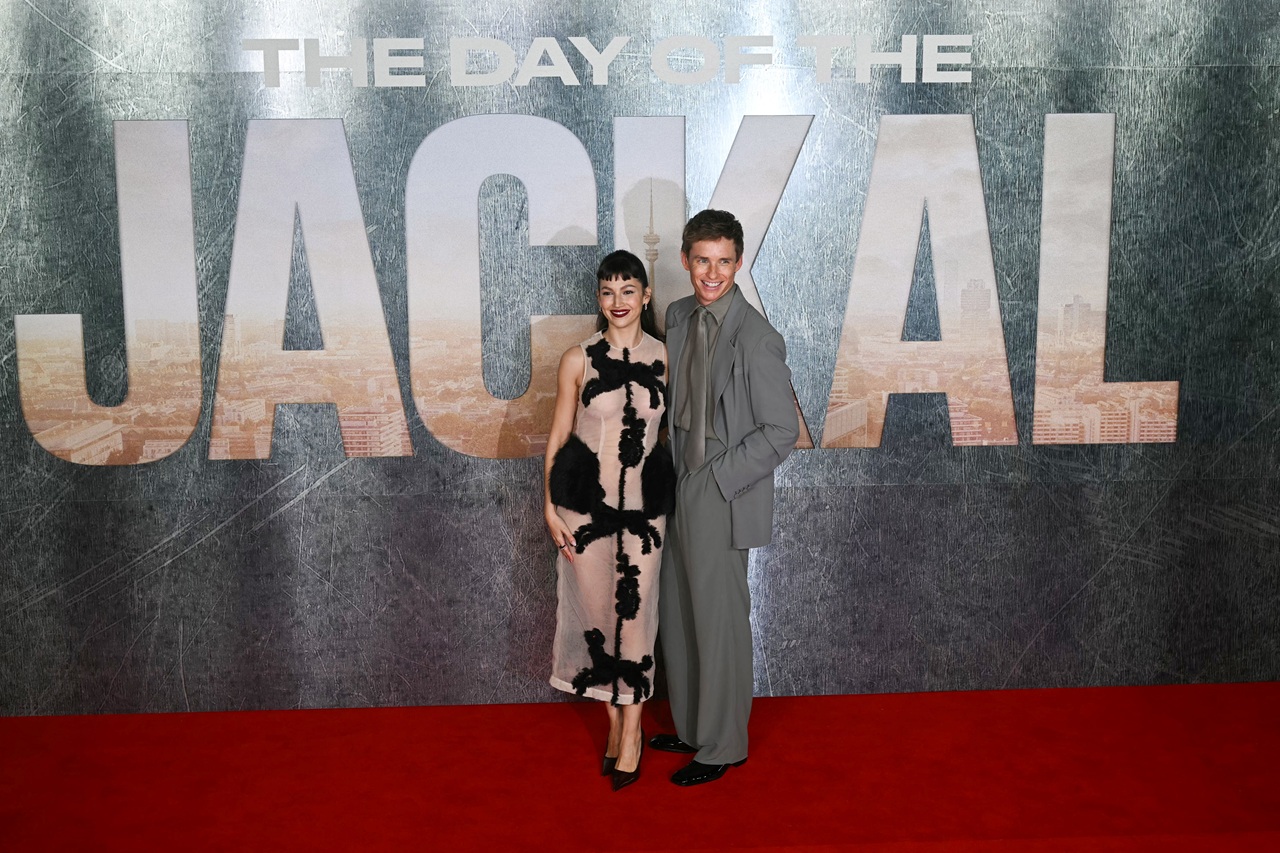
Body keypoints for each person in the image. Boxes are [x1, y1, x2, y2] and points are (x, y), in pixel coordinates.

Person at [649, 209, 799, 786]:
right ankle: (691, 726)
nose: (713, 273)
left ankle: (725, 743)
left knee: (720, 618)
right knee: (679, 608)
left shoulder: (758, 338)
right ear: (686, 260)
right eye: (703, 261)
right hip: (677, 478)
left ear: (740, 263)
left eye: (725, 262)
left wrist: (717, 478)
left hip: (720, 483)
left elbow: (781, 431)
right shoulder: (679, 315)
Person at [544, 249, 674, 791]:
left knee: (637, 618)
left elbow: (670, 435)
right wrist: (548, 505)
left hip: (644, 511)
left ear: (645, 295)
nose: (617, 302)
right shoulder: (578, 359)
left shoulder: (667, 356)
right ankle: (614, 719)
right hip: (585, 512)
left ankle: (633, 729)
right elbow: (558, 434)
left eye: (628, 290)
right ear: (598, 299)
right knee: (598, 615)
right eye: (607, 291)